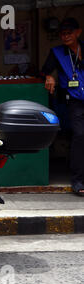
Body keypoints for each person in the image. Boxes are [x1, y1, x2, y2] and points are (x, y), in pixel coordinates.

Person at [41, 17, 84, 196]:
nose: (66, 37)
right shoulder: (57, 52)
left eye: (69, 33)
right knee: (80, 136)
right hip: (75, 102)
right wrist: (48, 76)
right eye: (62, 34)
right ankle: (78, 181)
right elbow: (43, 69)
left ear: (78, 32)